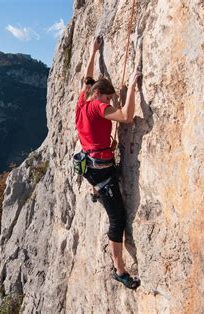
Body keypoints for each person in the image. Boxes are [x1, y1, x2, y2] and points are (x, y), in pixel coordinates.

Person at [75, 36, 142, 289]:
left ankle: (96, 192)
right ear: (99, 96)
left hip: (91, 163)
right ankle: (120, 270)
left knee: (101, 183)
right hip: (101, 172)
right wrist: (133, 87)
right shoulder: (96, 108)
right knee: (118, 221)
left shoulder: (83, 101)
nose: (109, 103)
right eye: (108, 98)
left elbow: (87, 77)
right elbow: (126, 116)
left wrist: (94, 52)